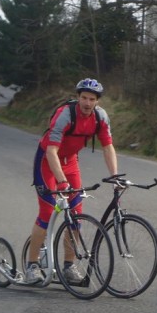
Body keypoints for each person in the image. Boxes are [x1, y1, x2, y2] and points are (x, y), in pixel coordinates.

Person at [24, 78, 118, 284]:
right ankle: (32, 265)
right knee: (48, 212)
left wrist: (115, 176)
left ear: (97, 102)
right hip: (48, 162)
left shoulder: (100, 117)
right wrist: (61, 181)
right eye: (83, 98)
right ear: (78, 98)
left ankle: (68, 265)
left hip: (71, 162)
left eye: (91, 99)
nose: (86, 102)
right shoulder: (65, 114)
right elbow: (51, 150)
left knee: (75, 214)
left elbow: (108, 146)